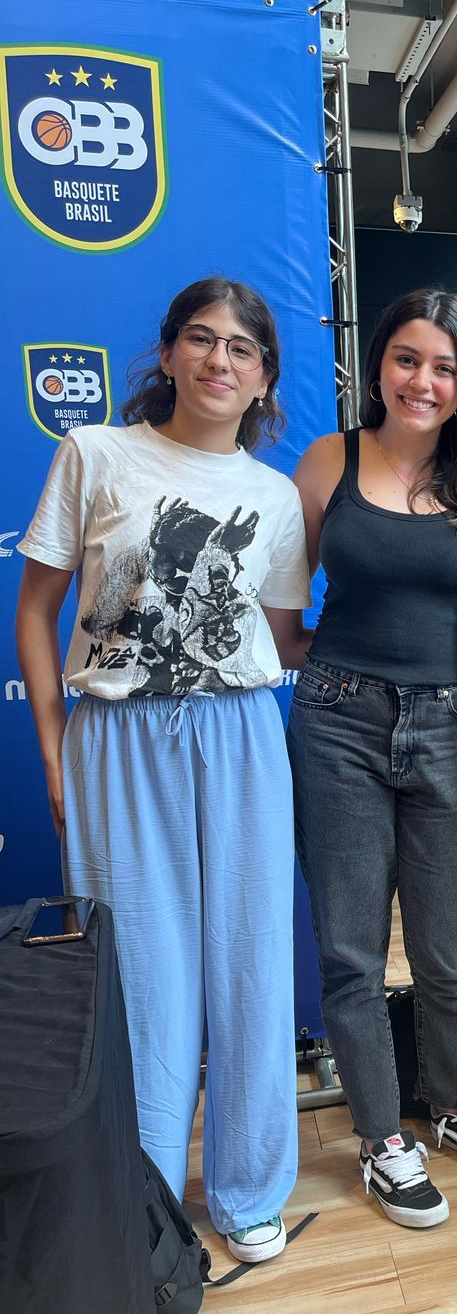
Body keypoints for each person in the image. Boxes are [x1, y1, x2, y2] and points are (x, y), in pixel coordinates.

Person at [16, 276, 309, 1263]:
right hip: (118, 737)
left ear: (265, 377)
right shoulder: (96, 453)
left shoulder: (273, 499)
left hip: (238, 737)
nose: (218, 360)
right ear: (170, 352)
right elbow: (36, 613)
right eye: (200, 339)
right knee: (139, 970)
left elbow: (276, 634)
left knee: (251, 957)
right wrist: (56, 755)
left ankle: (249, 1186)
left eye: (241, 348)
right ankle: (141, 1198)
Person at [280, 289, 457, 1232]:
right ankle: (384, 1138)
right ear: (378, 366)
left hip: (456, 728)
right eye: (409, 359)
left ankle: (454, 1100)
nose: (424, 380)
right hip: (338, 720)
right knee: (348, 949)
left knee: (449, 949)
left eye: (445, 367)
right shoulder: (328, 460)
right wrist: (346, 677)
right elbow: (282, 610)